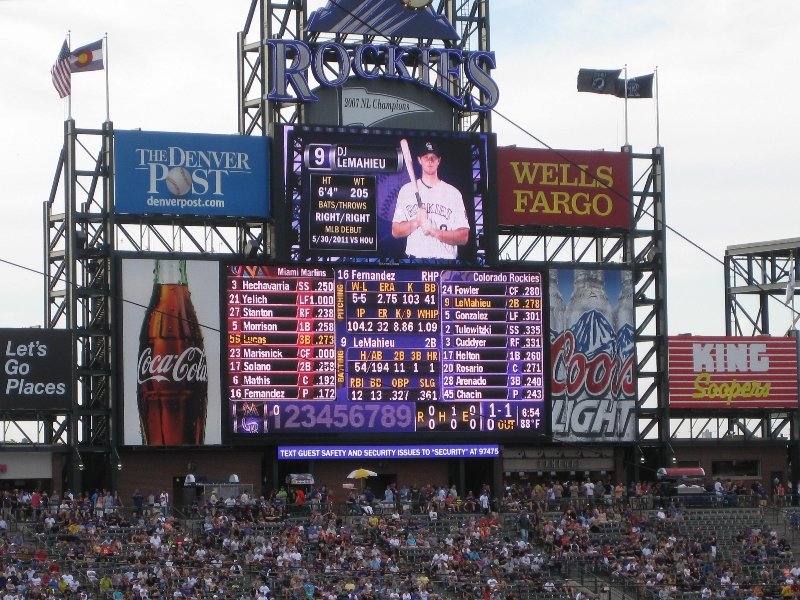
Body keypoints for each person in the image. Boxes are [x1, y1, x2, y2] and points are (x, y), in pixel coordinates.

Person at [392, 140, 470, 259]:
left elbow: (463, 237)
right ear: (419, 160)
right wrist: (417, 222)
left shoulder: (453, 193)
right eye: (426, 157)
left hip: (446, 263)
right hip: (415, 261)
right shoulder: (406, 190)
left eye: (433, 157)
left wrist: (434, 232)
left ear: (439, 160)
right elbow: (396, 231)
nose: (430, 160)